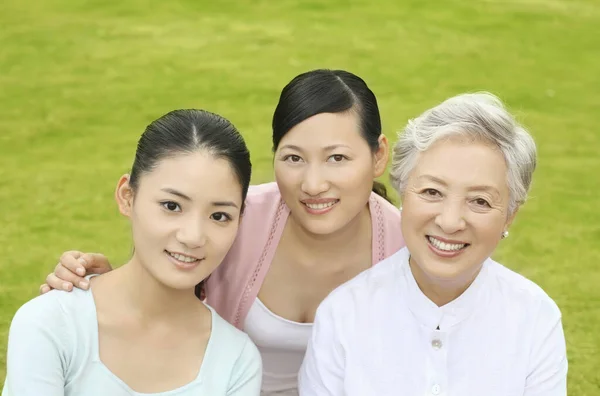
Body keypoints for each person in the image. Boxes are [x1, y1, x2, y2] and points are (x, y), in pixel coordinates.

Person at [38, 69, 405, 396]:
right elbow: (168, 259)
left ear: (378, 156)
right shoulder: (232, 217)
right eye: (293, 157)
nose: (312, 184)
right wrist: (100, 284)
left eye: (336, 158)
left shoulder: (407, 248)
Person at [298, 93, 568, 396]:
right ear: (402, 192)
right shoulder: (344, 313)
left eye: (480, 201)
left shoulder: (534, 316)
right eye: (432, 192)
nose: (450, 221)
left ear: (509, 216)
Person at [3, 110, 262, 395]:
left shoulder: (237, 360)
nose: (193, 237)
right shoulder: (52, 323)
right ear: (127, 196)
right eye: (172, 206)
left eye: (219, 216)